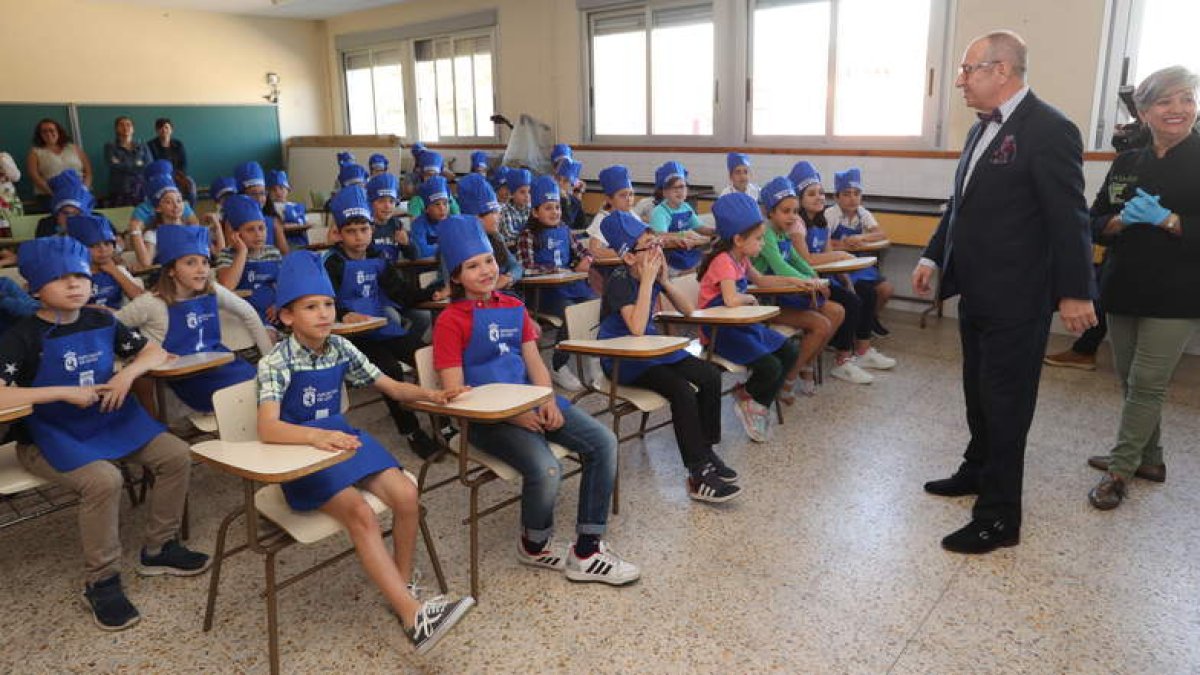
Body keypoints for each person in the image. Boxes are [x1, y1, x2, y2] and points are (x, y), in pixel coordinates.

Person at [912, 31, 1096, 553]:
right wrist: (932, 255)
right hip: (978, 290)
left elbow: (1069, 216)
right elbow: (961, 202)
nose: (960, 80)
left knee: (1007, 403)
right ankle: (976, 470)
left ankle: (999, 516)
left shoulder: (1050, 128)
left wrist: (1076, 292)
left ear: (1001, 70)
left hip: (1018, 297)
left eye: (969, 69)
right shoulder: (981, 130)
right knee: (978, 392)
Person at [257, 250, 475, 653]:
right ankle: (414, 617)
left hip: (342, 437)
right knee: (361, 514)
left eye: (327, 304)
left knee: (407, 494)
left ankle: (401, 587)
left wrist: (433, 394)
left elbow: (391, 387)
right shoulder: (275, 361)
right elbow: (267, 428)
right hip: (298, 451)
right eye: (310, 307)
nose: (323, 314)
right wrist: (313, 438)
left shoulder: (339, 346)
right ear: (287, 317)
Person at [0, 236, 210, 631]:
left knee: (176, 454)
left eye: (80, 276)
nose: (75, 284)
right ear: (35, 287)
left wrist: (126, 375)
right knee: (103, 480)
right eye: (61, 278)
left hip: (111, 418)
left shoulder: (101, 319)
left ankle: (160, 547)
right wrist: (62, 391)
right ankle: (102, 581)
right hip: (50, 434)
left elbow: (152, 351)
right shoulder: (20, 336)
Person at [433, 215, 640, 585]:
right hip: (486, 420)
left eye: (489, 261)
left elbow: (534, 362)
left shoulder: (512, 306)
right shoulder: (450, 321)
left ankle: (588, 549)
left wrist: (546, 399)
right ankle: (533, 544)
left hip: (532, 403)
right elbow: (457, 393)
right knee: (547, 469)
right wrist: (514, 416)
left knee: (604, 442)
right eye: (472, 265)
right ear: (455, 276)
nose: (484, 270)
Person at [1080, 66, 1199, 509]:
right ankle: (1151, 458)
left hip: (1178, 293)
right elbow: (1093, 220)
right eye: (1166, 101)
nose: (1178, 109)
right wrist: (1118, 220)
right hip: (1125, 285)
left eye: (1186, 98)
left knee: (1148, 384)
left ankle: (1120, 469)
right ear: (1145, 111)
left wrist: (1170, 221)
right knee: (1130, 380)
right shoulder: (1128, 161)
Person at [598, 210, 740, 502]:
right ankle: (698, 473)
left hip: (652, 350)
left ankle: (706, 449)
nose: (656, 251)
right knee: (681, 391)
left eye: (657, 244)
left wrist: (664, 280)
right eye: (648, 247)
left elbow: (689, 311)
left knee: (710, 375)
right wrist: (649, 282)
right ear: (628, 257)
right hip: (621, 358)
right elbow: (636, 328)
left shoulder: (650, 275)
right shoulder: (620, 280)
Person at [322, 185, 443, 458]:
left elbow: (401, 291)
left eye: (363, 230)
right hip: (350, 336)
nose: (358, 237)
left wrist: (431, 292)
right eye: (351, 231)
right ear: (339, 234)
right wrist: (342, 314)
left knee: (425, 355)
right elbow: (325, 300)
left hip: (379, 327)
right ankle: (411, 430)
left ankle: (443, 420)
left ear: (371, 230)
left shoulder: (377, 257)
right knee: (389, 369)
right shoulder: (332, 263)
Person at [116, 225, 267, 415]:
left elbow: (249, 314)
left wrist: (268, 359)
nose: (201, 270)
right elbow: (112, 325)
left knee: (260, 385)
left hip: (220, 366)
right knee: (243, 395)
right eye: (190, 263)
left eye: (204, 262)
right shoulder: (151, 303)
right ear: (171, 269)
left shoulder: (212, 290)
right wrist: (135, 353)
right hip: (187, 379)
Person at [698, 193, 801, 443]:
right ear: (738, 239)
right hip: (720, 332)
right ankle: (751, 400)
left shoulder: (740, 258)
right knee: (771, 366)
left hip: (741, 324)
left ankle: (752, 401)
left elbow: (762, 280)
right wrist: (751, 300)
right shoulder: (723, 261)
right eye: (758, 239)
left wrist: (795, 280)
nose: (762, 244)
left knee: (789, 351)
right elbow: (732, 299)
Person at [789, 162, 895, 383]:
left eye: (820, 193)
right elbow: (808, 260)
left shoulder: (820, 222)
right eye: (811, 194)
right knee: (852, 302)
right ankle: (842, 359)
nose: (819, 197)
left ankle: (863, 351)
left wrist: (845, 279)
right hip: (805, 283)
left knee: (863, 295)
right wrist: (841, 255)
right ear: (799, 198)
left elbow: (829, 256)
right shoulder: (798, 224)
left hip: (823, 279)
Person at [753, 176, 843, 400]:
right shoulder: (765, 233)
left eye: (795, 211)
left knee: (837, 311)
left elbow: (797, 261)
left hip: (786, 295)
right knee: (820, 324)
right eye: (786, 211)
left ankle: (805, 363)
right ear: (770, 212)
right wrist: (810, 284)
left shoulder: (783, 232)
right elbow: (780, 266)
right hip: (765, 302)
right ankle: (789, 377)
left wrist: (815, 279)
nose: (793, 217)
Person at [515, 175, 595, 390]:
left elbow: (584, 252)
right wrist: (560, 269)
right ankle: (558, 365)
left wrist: (587, 259)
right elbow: (526, 267)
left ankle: (590, 361)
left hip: (571, 285)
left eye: (557, 207)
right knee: (571, 313)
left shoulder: (564, 229)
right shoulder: (528, 235)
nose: (555, 213)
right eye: (548, 208)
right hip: (543, 293)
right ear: (535, 211)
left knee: (595, 306)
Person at [825, 167, 894, 337]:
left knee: (885, 290)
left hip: (858, 264)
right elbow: (821, 243)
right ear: (837, 197)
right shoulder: (830, 214)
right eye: (847, 194)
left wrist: (862, 238)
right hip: (838, 266)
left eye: (856, 193)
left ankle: (870, 319)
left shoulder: (863, 213)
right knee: (863, 293)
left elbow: (881, 234)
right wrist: (844, 244)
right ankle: (858, 327)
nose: (852, 198)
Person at [216, 194, 284, 325]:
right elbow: (227, 286)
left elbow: (283, 285)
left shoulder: (272, 252)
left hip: (274, 313)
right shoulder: (226, 255)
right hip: (242, 319)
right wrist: (242, 252)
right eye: (250, 230)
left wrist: (279, 304)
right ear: (236, 234)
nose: (258, 234)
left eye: (261, 228)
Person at [456, 173, 522, 295]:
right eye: (494, 212)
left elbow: (516, 267)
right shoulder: (460, 245)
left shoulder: (497, 238)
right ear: (476, 218)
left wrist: (508, 277)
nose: (499, 216)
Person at [66, 213, 144, 310]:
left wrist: (114, 271)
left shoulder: (118, 270)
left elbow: (143, 300)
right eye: (93, 245)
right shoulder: (69, 276)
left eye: (107, 244)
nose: (103, 250)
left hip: (117, 320)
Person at [648, 161, 713, 274]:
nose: (679, 191)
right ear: (664, 192)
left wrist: (719, 231)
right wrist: (682, 235)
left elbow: (701, 228)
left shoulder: (686, 207)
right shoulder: (660, 212)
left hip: (687, 254)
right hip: (668, 259)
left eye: (682, 186)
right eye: (673, 187)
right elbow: (659, 236)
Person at [27, 118, 92, 212]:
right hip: (50, 196)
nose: (48, 133)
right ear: (40, 135)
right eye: (44, 131)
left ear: (58, 131)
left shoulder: (74, 148)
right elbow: (34, 176)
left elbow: (88, 173)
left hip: (78, 194)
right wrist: (52, 193)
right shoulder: (35, 152)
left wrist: (83, 190)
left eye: (51, 130)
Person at [104, 116, 153, 207]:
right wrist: (137, 164)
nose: (125, 127)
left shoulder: (142, 146)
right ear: (116, 129)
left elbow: (149, 165)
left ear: (133, 129)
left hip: (141, 189)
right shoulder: (110, 147)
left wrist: (122, 163)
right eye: (121, 125)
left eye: (128, 125)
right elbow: (113, 166)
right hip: (119, 190)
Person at [35, 169, 94, 238]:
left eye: (77, 213)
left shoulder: (97, 224)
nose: (71, 217)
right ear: (57, 214)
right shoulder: (46, 226)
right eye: (66, 213)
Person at [409, 176, 451, 260]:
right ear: (427, 208)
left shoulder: (453, 223)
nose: (442, 208)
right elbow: (421, 251)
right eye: (437, 204)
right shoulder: (418, 224)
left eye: (445, 203)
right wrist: (447, 248)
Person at [498, 168, 533, 249]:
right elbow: (509, 234)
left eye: (529, 191)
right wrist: (531, 236)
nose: (527, 195)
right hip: (512, 249)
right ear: (511, 194)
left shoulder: (531, 209)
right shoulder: (505, 210)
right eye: (522, 192)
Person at [555, 159, 587, 231]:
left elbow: (582, 226)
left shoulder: (575, 201)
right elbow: (563, 225)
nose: (560, 183)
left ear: (572, 185)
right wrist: (563, 201)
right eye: (558, 179)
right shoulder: (548, 200)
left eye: (565, 181)